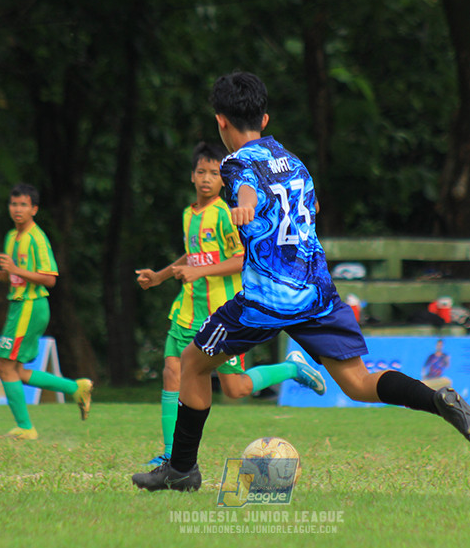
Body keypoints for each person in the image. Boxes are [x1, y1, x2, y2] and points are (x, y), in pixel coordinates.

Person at [132, 72, 470, 492]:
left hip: (265, 299)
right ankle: (436, 398)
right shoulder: (294, 162)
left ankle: (181, 470)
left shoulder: (233, 164)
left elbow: (246, 187)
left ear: (221, 122)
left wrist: (246, 207)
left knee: (192, 364)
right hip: (317, 293)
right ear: (264, 120)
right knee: (358, 382)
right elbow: (311, 204)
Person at [135, 141, 327, 467]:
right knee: (172, 371)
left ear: (224, 179)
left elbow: (242, 259)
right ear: (192, 176)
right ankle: (170, 455)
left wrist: (199, 270)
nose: (207, 178)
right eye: (201, 172)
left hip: (219, 313)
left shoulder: (226, 214)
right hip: (186, 310)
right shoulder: (188, 214)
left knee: (234, 389)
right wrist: (161, 276)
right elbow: (192, 255)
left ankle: (293, 368)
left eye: (214, 172)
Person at [0, 183, 93, 440]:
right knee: (15, 370)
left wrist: (14, 270)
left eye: (23, 205)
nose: (17, 209)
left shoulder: (37, 238)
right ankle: (75, 388)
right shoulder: (12, 237)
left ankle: (25, 428)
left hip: (30, 306)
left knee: (4, 365)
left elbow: (50, 278)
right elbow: (14, 274)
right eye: (13, 204)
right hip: (19, 305)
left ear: (34, 209)